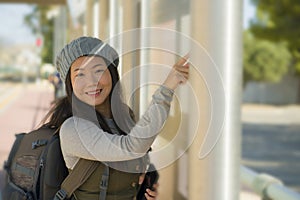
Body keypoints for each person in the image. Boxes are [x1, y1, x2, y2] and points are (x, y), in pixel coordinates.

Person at [43, 36, 189, 200]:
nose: (92, 82)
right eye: (80, 75)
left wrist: (144, 187)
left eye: (98, 71)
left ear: (112, 73)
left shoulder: (125, 117)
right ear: (70, 83)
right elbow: (133, 147)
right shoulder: (73, 128)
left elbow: (134, 161)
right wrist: (167, 89)